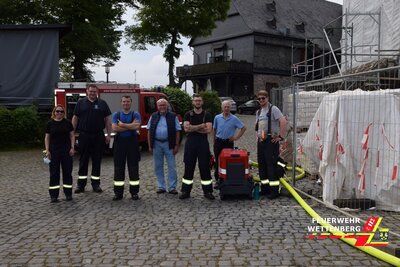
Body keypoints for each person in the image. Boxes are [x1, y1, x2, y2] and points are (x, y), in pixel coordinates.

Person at [72, 84, 112, 194]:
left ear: (97, 92)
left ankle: (96, 184)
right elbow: (75, 118)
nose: (92, 93)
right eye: (91, 91)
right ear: (87, 91)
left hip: (98, 135)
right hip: (84, 135)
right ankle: (81, 185)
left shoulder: (102, 103)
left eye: (94, 91)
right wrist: (72, 132)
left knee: (97, 160)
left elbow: (108, 120)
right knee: (83, 160)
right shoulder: (81, 103)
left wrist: (108, 135)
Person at [180, 94, 215, 200]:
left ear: (202, 102)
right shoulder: (187, 114)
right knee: (189, 167)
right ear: (193, 102)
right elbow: (186, 129)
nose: (198, 102)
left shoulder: (207, 115)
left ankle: (208, 191)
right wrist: (200, 126)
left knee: (204, 167)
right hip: (190, 143)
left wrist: (192, 127)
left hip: (203, 144)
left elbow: (208, 130)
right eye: (196, 101)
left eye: (199, 100)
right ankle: (186, 191)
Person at [255, 90, 287, 199]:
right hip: (261, 142)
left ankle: (274, 191)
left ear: (267, 98)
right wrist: (257, 138)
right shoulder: (258, 112)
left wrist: (280, 137)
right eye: (259, 99)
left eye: (263, 98)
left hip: (270, 142)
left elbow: (283, 121)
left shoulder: (273, 109)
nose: (261, 100)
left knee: (271, 166)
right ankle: (265, 189)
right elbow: (258, 127)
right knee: (262, 165)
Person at [147, 98, 181, 195]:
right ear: (157, 107)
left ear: (167, 106)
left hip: (169, 144)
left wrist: (176, 145)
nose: (162, 107)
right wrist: (150, 145)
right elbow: (149, 131)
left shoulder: (173, 116)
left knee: (172, 166)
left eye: (164, 105)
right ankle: (161, 186)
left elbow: (178, 131)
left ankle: (172, 187)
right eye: (160, 105)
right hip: (156, 144)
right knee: (158, 166)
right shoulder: (153, 116)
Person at [111, 95, 141, 200]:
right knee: (119, 168)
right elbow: (114, 127)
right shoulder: (116, 114)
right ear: (121, 103)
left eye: (128, 102)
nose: (126, 103)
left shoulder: (135, 114)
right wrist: (129, 126)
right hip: (119, 144)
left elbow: (137, 126)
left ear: (131, 103)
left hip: (132, 144)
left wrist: (122, 124)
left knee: (133, 168)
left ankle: (134, 192)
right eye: (124, 101)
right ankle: (118, 193)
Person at [44, 105, 75, 203]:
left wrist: (72, 148)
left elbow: (72, 135)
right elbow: (47, 137)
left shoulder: (68, 123)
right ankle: (54, 195)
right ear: (54, 112)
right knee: (54, 173)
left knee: (67, 172)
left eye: (61, 112)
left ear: (63, 113)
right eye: (57, 111)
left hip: (66, 150)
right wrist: (47, 150)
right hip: (54, 150)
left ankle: (68, 194)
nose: (59, 113)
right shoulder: (50, 124)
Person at [212, 100, 246, 186]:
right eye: (225, 107)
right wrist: (214, 140)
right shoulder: (217, 117)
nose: (226, 108)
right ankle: (218, 180)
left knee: (228, 161)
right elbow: (214, 129)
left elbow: (243, 128)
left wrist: (236, 137)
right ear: (222, 107)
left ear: (230, 108)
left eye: (228, 107)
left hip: (228, 143)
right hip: (218, 142)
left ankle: (227, 179)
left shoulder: (234, 118)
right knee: (218, 161)